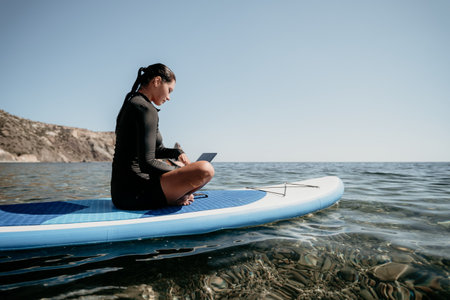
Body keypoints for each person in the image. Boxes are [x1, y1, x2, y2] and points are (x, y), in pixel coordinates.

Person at [111, 63, 214, 210]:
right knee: (205, 169)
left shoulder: (134, 103)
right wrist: (179, 171)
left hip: (122, 192)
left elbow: (156, 150)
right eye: (169, 90)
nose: (169, 97)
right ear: (157, 81)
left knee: (190, 168)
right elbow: (146, 163)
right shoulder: (145, 108)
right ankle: (175, 197)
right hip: (135, 193)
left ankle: (177, 195)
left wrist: (177, 153)